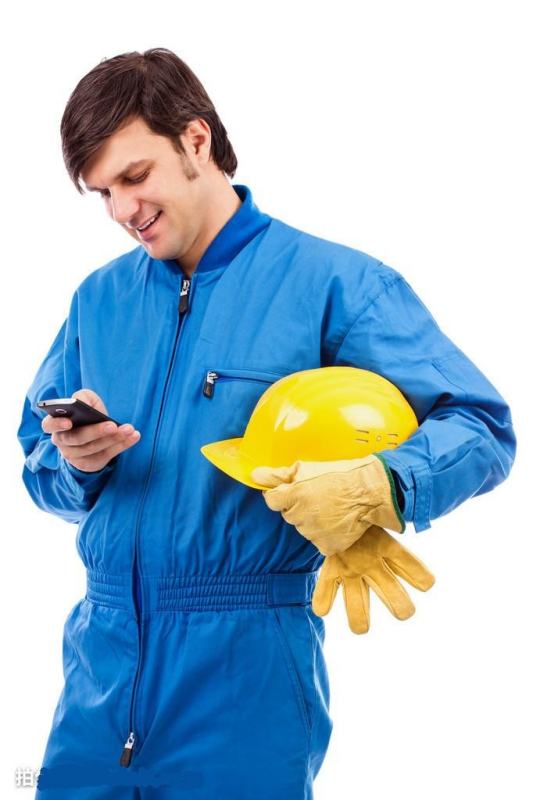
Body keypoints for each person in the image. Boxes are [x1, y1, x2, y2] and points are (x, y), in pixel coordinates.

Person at [16, 47, 516, 799]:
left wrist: (383, 483)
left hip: (245, 678)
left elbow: (479, 422)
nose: (121, 210)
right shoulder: (98, 299)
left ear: (196, 140)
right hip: (99, 670)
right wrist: (76, 464)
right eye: (103, 193)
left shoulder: (333, 284)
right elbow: (39, 464)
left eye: (134, 176)